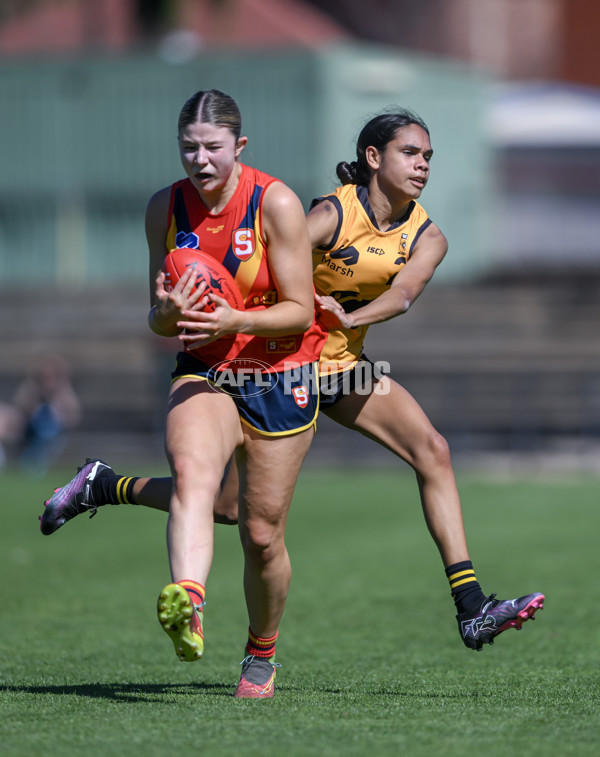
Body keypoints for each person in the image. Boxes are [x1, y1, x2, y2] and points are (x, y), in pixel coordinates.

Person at [41, 108, 544, 655]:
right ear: (373, 159)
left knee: (433, 449)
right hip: (280, 367)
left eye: (427, 157)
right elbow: (259, 262)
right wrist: (195, 305)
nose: (422, 165)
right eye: (410, 153)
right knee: (230, 509)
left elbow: (402, 295)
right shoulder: (330, 214)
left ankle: (471, 609)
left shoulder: (429, 236)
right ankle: (105, 486)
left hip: (346, 369)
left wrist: (351, 319)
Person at [45, 89, 328, 699]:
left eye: (213, 148)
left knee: (257, 531)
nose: (200, 161)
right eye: (189, 148)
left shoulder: (273, 202)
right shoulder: (164, 208)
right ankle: (189, 600)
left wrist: (234, 321)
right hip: (204, 368)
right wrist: (168, 314)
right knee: (195, 476)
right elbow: (155, 318)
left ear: (240, 146)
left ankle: (261, 653)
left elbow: (300, 311)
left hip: (279, 375)